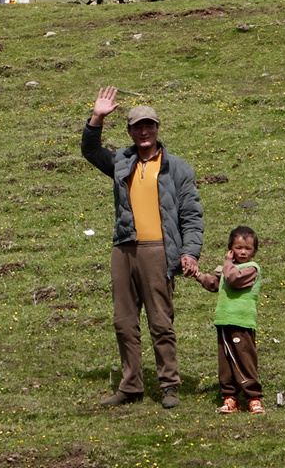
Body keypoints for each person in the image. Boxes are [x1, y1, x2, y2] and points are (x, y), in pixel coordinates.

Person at [80, 86, 204, 409]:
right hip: (124, 249)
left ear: (158, 128)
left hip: (158, 251)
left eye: (149, 125)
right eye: (138, 127)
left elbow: (192, 216)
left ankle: (169, 386)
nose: (144, 131)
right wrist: (97, 117)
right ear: (130, 131)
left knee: (161, 322)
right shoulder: (122, 162)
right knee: (124, 321)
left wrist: (189, 252)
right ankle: (131, 386)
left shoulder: (178, 168)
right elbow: (91, 152)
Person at [191, 225, 264, 414]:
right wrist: (198, 275)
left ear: (254, 251)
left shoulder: (251, 268)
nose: (243, 252)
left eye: (248, 248)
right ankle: (230, 396)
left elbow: (232, 279)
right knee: (226, 361)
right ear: (231, 248)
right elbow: (215, 284)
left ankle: (253, 397)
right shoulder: (228, 268)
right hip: (224, 321)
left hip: (242, 321)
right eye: (238, 247)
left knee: (244, 358)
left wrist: (226, 263)